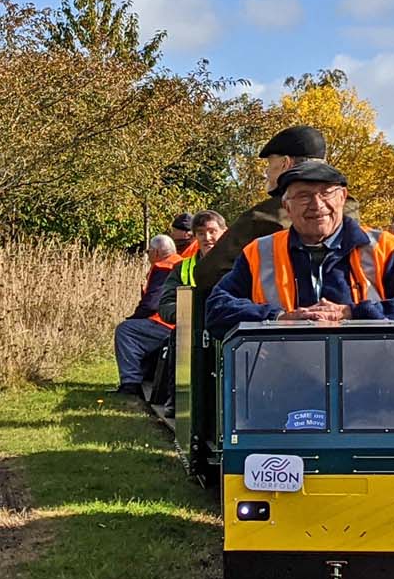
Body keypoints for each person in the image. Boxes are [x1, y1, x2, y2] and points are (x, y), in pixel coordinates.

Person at [204, 160, 394, 334]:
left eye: (326, 193)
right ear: (287, 207)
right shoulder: (258, 253)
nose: (317, 204)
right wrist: (277, 318)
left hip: (373, 389)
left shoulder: (383, 247)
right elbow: (216, 310)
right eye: (303, 195)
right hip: (281, 387)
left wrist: (355, 314)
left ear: (342, 198)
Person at [194, 125, 348, 294]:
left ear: (285, 163)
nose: (265, 173)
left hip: (275, 317)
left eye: (269, 164)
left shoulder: (263, 217)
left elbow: (207, 274)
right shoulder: (348, 210)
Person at [144, 210, 228, 411]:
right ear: (195, 237)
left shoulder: (242, 263)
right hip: (193, 330)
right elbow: (165, 305)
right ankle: (178, 400)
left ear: (224, 232)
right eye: (201, 233)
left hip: (228, 329)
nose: (207, 238)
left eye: (212, 231)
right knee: (178, 337)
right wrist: (188, 315)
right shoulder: (182, 268)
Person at [112, 234, 181, 397]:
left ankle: (131, 383)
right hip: (179, 322)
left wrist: (134, 318)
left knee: (126, 330)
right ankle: (143, 377)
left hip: (166, 323)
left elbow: (152, 303)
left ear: (156, 252)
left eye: (148, 251)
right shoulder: (180, 262)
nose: (147, 254)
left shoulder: (163, 267)